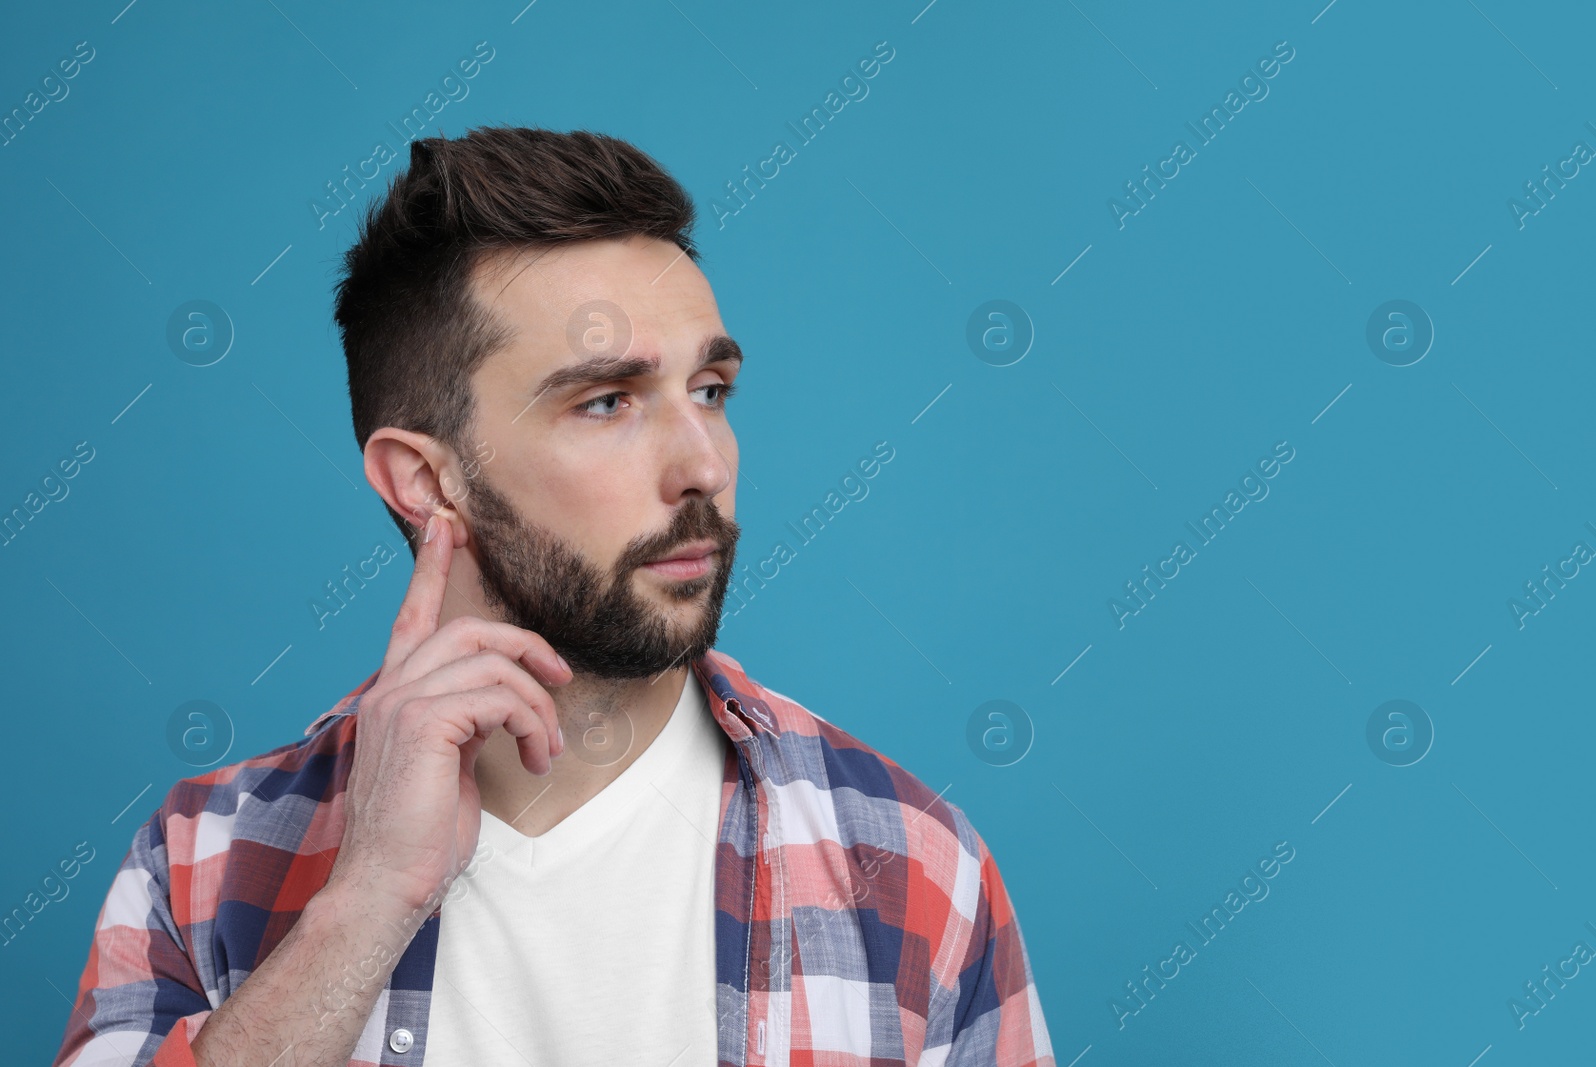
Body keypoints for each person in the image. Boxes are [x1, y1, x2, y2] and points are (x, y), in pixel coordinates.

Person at [52, 126, 1056, 1067]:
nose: (703, 464)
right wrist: (364, 903)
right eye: (606, 401)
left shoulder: (911, 862)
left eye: (710, 390)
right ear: (427, 481)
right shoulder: (202, 859)